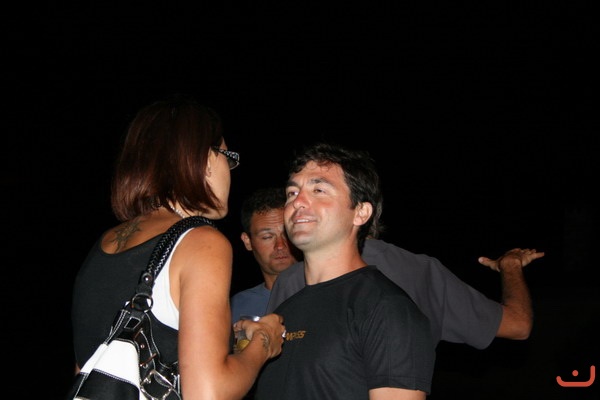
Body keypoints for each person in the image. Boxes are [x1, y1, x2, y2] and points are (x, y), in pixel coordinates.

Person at [69, 95, 285, 399]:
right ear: (204, 159)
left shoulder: (104, 245)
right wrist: (264, 342)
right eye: (227, 156)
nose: (230, 170)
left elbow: (89, 367)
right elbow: (209, 392)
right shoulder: (201, 242)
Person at [255, 142, 436, 399]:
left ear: (360, 213)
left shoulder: (387, 308)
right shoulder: (284, 311)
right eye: (292, 193)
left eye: (319, 190)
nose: (298, 202)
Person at [268, 238, 544, 349]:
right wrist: (511, 266)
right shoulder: (424, 271)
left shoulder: (294, 278)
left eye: (319, 191)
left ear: (362, 210)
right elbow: (519, 324)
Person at [230, 187, 301, 324]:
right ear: (248, 241)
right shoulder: (236, 308)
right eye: (267, 237)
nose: (280, 245)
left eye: (286, 234)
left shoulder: (328, 292)